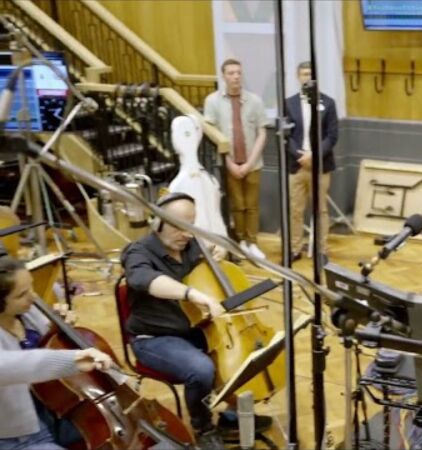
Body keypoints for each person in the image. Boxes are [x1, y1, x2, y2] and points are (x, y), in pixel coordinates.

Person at [122, 192, 270, 447]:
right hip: (155, 338)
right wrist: (190, 293)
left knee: (247, 357)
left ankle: (232, 415)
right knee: (201, 369)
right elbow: (142, 279)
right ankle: (203, 426)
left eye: (191, 226)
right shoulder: (138, 252)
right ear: (158, 222)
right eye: (179, 227)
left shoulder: (192, 247)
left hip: (196, 330)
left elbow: (214, 260)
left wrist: (218, 252)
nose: (187, 235)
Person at [0, 255, 112, 450]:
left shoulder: (29, 312)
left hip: (61, 411)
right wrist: (74, 359)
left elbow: (47, 347)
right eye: (21, 295)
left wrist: (57, 329)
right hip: (20, 434)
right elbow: (11, 365)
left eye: (31, 286)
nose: (33, 296)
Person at [204, 58, 270, 260]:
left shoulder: (255, 101)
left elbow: (262, 132)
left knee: (252, 205)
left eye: (239, 73)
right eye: (231, 73)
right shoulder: (212, 101)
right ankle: (240, 241)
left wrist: (250, 162)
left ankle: (253, 243)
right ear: (223, 76)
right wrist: (229, 162)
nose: (235, 77)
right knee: (237, 205)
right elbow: (212, 133)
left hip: (253, 163)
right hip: (229, 163)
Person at [284, 61, 339, 262]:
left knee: (321, 209)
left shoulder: (329, 103)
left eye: (310, 74)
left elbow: (332, 136)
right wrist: (300, 156)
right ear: (298, 77)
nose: (307, 77)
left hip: (320, 165)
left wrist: (314, 155)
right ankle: (295, 249)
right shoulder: (288, 103)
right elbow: (286, 134)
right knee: (295, 210)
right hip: (297, 164)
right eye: (304, 74)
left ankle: (321, 250)